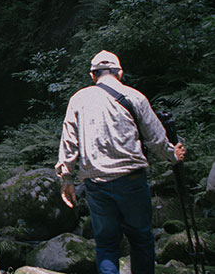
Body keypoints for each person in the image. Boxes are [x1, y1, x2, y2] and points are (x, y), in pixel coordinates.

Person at [56, 50, 187, 274]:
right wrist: (173, 155)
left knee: (106, 244)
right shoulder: (135, 96)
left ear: (92, 75)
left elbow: (69, 142)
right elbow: (155, 138)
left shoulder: (78, 99)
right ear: (120, 73)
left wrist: (66, 178)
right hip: (132, 180)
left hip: (96, 183)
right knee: (141, 239)